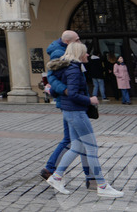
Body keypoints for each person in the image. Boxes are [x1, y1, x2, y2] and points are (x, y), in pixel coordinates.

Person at [45, 41, 124, 198]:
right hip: (76, 112)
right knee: (91, 148)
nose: (88, 54)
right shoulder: (73, 69)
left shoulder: (64, 67)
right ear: (79, 53)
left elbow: (55, 89)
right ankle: (101, 185)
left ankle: (56, 177)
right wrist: (90, 100)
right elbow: (73, 93)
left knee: (76, 146)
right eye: (85, 52)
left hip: (69, 111)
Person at [40, 30, 95, 189]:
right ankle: (51, 170)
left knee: (75, 141)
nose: (80, 42)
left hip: (73, 102)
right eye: (77, 40)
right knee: (76, 141)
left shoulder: (65, 51)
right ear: (68, 42)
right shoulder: (59, 53)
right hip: (71, 103)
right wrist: (66, 91)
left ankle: (89, 178)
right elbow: (52, 77)